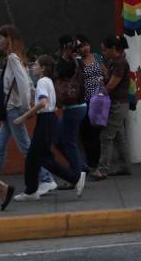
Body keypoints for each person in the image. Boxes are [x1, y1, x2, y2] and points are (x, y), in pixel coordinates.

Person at [13, 55, 86, 201]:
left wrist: (24, 117)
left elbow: (42, 103)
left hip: (45, 121)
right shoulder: (47, 81)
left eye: (36, 65)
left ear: (43, 68)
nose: (33, 67)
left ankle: (75, 177)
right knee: (35, 157)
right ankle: (31, 190)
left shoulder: (42, 81)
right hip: (47, 119)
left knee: (41, 158)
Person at [0, 25, 55, 194]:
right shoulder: (16, 58)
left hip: (13, 110)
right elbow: (28, 82)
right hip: (11, 110)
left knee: (26, 148)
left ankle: (46, 179)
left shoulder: (13, 58)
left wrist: (25, 107)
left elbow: (23, 84)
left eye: (0, 38)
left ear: (8, 39)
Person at [91, 35, 132, 180]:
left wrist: (99, 95)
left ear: (113, 49)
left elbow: (112, 85)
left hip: (117, 105)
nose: (103, 53)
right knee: (119, 137)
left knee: (106, 135)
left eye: (105, 50)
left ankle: (102, 170)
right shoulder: (115, 62)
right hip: (117, 104)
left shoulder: (120, 63)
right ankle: (124, 166)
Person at [54, 35, 88, 175]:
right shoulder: (78, 62)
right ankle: (80, 166)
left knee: (69, 142)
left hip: (74, 107)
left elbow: (60, 72)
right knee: (58, 140)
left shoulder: (70, 63)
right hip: (75, 107)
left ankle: (77, 175)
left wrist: (63, 56)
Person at [77, 34, 106, 170]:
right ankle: (91, 162)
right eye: (81, 46)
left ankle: (97, 161)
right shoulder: (78, 61)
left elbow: (105, 71)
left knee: (97, 131)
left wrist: (103, 77)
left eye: (86, 44)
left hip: (99, 99)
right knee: (87, 132)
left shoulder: (97, 56)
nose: (85, 48)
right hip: (86, 100)